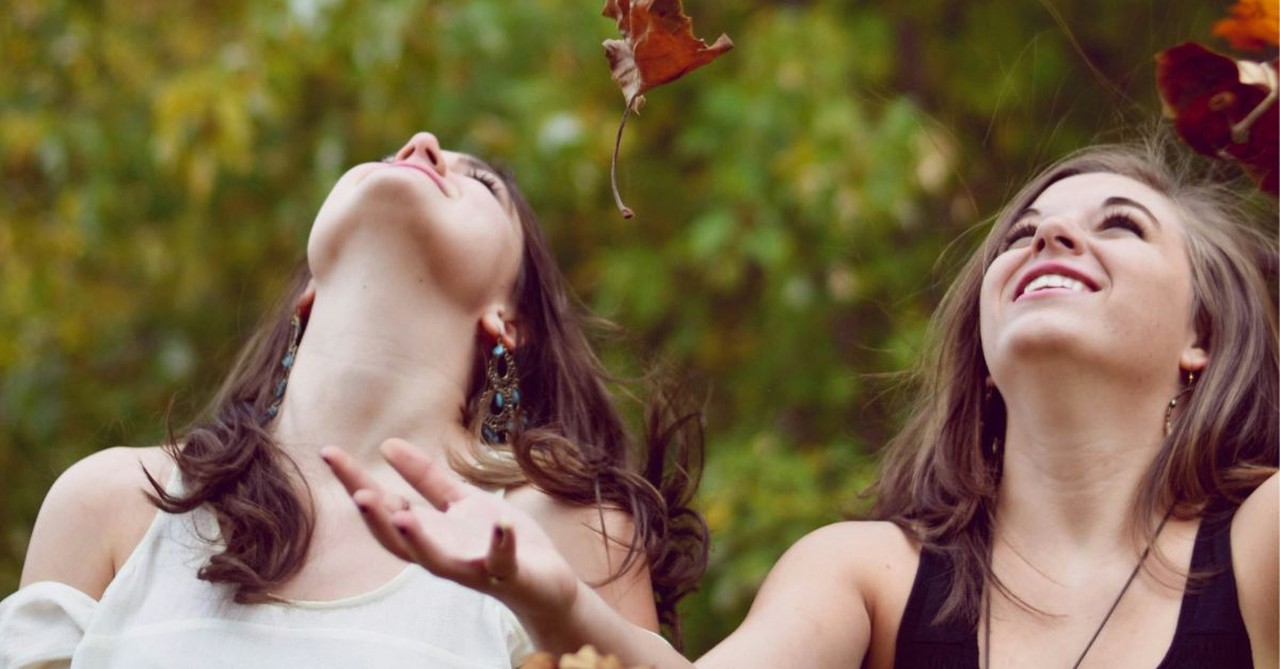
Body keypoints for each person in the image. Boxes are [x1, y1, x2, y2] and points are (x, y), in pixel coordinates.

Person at [325, 138, 1278, 668]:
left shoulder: (1262, 539)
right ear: (984, 350)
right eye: (1021, 235)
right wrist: (546, 590)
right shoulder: (866, 574)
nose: (1051, 240)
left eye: (1119, 225)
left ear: (1203, 333)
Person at [0, 132, 708, 668]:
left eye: (482, 183)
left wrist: (564, 606)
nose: (423, 146)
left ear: (508, 319)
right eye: (403, 150)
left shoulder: (560, 529)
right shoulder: (115, 506)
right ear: (307, 287)